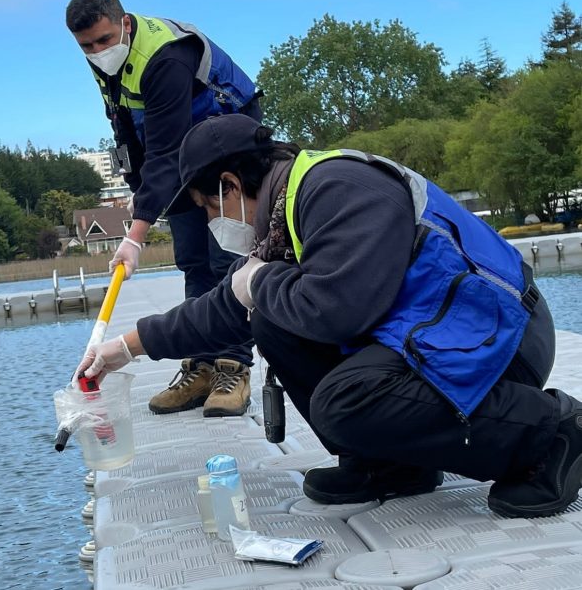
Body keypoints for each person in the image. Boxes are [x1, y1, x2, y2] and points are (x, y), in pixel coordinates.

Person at [76, 113, 582, 519]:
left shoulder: (336, 189)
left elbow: (336, 311)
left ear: (231, 184)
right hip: (442, 331)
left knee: (346, 401)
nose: (213, 223)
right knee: (271, 320)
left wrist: (259, 281)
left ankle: (550, 432)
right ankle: (390, 464)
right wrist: (123, 349)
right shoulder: (285, 212)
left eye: (209, 207)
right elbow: (227, 307)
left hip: (503, 336)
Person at [66, 0, 264, 417]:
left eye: (103, 40)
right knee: (192, 260)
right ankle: (201, 363)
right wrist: (142, 194)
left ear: (125, 23)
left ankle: (233, 366)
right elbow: (133, 133)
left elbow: (166, 152)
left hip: (226, 142)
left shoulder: (166, 57)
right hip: (179, 152)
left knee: (222, 258)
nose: (98, 51)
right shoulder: (107, 62)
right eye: (87, 46)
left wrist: (135, 235)